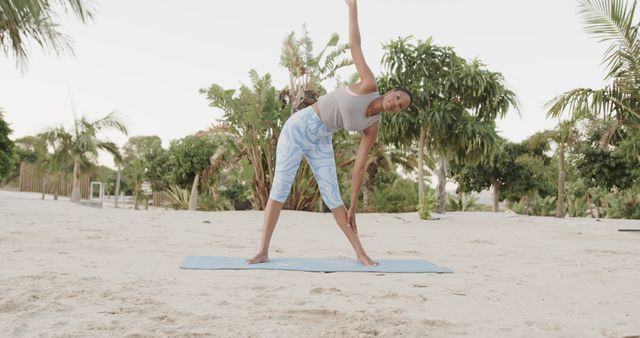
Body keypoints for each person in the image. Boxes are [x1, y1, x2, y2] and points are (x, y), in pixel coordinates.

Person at [247, 0, 412, 266]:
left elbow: (358, 168)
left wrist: (355, 204)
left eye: (401, 106)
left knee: (334, 197)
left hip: (322, 139)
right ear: (391, 92)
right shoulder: (368, 84)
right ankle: (263, 250)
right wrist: (352, 7)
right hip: (299, 127)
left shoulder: (372, 126)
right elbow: (355, 45)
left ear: (398, 111)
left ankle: (360, 254)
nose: (396, 103)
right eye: (397, 97)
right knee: (280, 188)